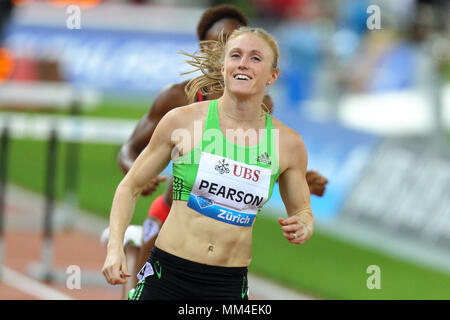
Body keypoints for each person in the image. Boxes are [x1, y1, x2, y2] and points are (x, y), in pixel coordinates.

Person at [101, 4, 328, 299]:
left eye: (255, 58)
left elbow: (302, 211)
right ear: (223, 65)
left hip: (228, 284)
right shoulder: (180, 117)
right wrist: (113, 248)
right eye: (235, 55)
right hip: (168, 271)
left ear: (272, 76)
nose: (243, 63)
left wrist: (305, 223)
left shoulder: (288, 143)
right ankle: (134, 250)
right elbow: (129, 184)